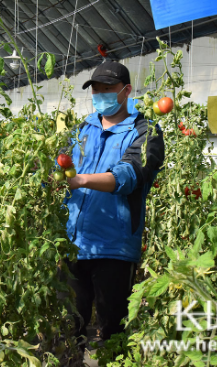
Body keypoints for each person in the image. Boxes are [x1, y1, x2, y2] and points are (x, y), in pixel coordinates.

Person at [62, 60, 165, 350]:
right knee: (68, 330)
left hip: (115, 247)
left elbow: (130, 174)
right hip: (74, 244)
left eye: (108, 89)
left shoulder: (146, 131)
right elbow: (58, 163)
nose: (101, 96)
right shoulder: (82, 129)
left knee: (113, 331)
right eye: (96, 90)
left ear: (126, 91)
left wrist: (81, 180)